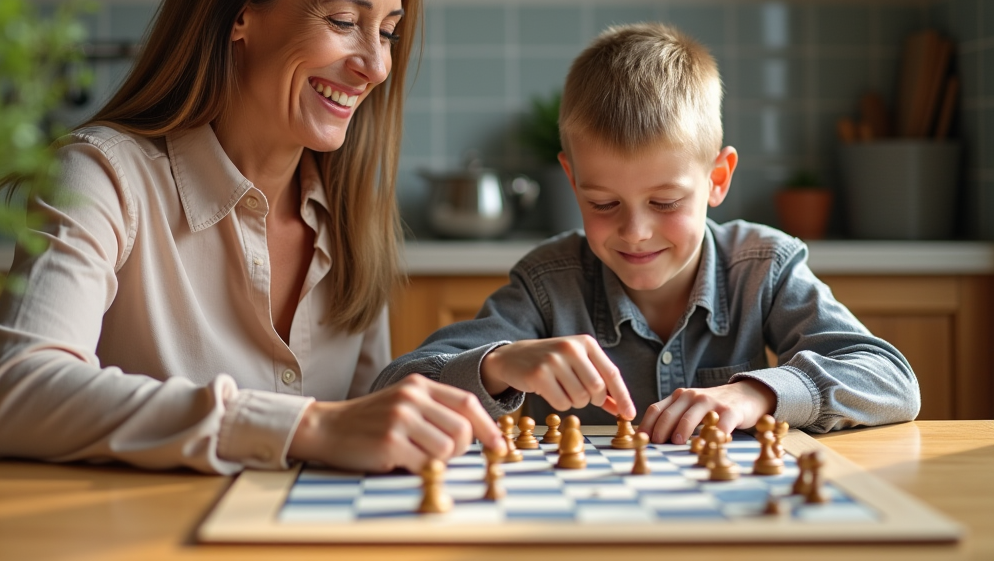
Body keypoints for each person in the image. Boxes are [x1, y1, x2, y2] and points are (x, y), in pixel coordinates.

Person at [0, 0, 501, 475]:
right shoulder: (99, 176)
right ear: (239, 13)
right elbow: (20, 393)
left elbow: (367, 427)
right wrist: (306, 424)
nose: (376, 66)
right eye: (342, 21)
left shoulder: (352, 212)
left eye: (387, 32)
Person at [373, 23, 920, 443]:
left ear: (718, 179)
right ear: (571, 179)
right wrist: (496, 365)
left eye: (665, 202)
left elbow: (891, 380)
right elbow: (392, 392)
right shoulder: (548, 283)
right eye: (603, 202)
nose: (635, 232)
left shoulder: (763, 266)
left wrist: (757, 393)